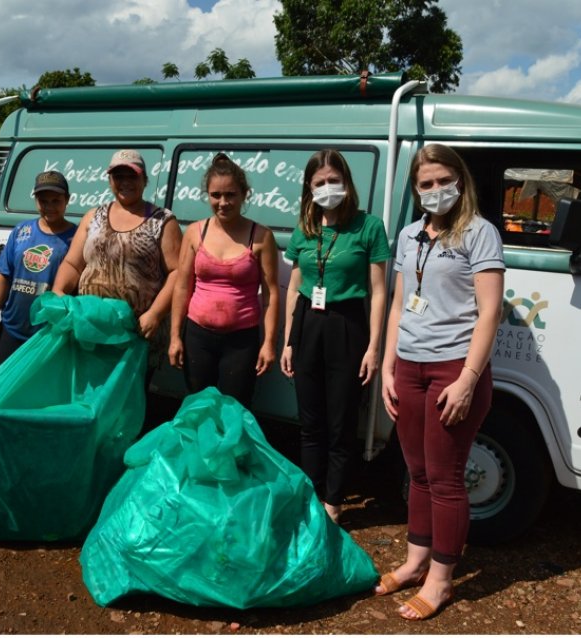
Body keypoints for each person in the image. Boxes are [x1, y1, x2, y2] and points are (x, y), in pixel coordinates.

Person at [377, 144, 504, 620]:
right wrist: (389, 368)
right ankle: (415, 561)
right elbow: (397, 304)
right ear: (415, 189)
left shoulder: (479, 232)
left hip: (454, 369)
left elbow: (490, 310)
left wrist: (469, 379)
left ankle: (442, 579)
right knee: (418, 473)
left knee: (447, 478)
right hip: (409, 367)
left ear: (460, 180)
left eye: (442, 181)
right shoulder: (410, 235)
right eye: (425, 183)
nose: (434, 190)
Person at [279, 149, 389, 524]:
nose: (327, 188)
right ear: (309, 189)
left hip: (347, 327)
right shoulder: (305, 230)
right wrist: (288, 340)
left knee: (341, 425)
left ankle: (334, 504)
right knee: (310, 424)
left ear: (347, 183)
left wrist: (374, 347)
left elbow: (378, 292)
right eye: (319, 182)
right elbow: (295, 286)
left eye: (333, 181)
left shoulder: (369, 226)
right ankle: (312, 499)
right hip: (308, 323)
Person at [168, 153, 280, 409]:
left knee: (234, 411)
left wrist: (269, 344)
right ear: (207, 195)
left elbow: (271, 295)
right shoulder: (195, 232)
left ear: (244, 195)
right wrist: (175, 336)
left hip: (241, 341)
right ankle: (199, 451)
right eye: (215, 195)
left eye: (230, 195)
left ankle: (230, 451)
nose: (223, 202)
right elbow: (183, 286)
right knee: (197, 408)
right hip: (197, 337)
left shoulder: (261, 236)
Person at [51, 149, 182, 369]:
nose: (125, 182)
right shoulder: (93, 216)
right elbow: (73, 263)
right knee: (91, 397)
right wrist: (59, 292)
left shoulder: (163, 221)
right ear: (110, 180)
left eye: (132, 176)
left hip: (136, 334)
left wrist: (155, 314)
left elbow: (178, 273)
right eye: (118, 176)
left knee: (128, 399)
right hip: (91, 329)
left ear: (145, 180)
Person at [0, 170, 77, 370]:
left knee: (37, 396)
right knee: (0, 390)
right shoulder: (21, 231)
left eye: (56, 200)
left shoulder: (76, 238)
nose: (49, 207)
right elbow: (4, 274)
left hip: (49, 333)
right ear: (36, 201)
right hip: (11, 328)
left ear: (67, 200)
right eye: (43, 201)